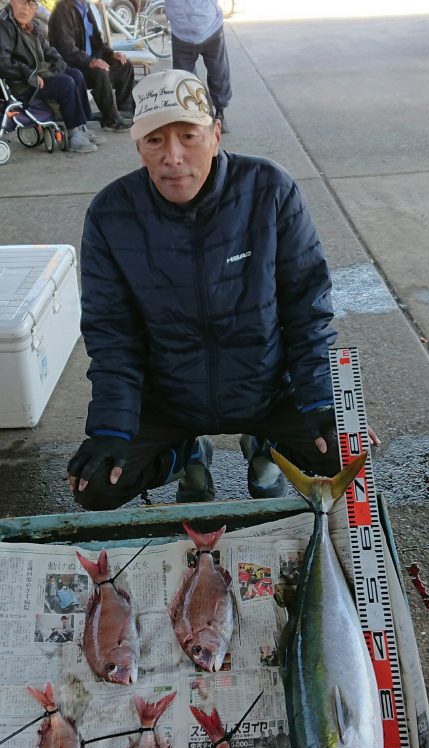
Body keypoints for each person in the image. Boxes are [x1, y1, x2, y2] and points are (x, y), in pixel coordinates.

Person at [67, 68, 380, 512]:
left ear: (215, 135)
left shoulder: (271, 189)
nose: (173, 156)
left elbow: (308, 310)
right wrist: (111, 428)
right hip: (169, 399)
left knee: (350, 459)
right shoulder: (110, 213)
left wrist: (322, 402)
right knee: (94, 485)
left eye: (188, 136)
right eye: (155, 140)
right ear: (139, 148)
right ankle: (184, 455)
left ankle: (267, 445)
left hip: (266, 390)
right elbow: (112, 334)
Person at [0, 0, 97, 153]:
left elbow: (49, 50)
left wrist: (58, 64)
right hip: (21, 83)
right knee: (66, 84)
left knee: (76, 75)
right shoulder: (4, 25)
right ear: (12, 1)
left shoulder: (31, 25)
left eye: (31, 4)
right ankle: (73, 134)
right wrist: (30, 74)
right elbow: (3, 63)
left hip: (37, 74)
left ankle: (82, 126)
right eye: (22, 2)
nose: (26, 8)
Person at [48, 0, 133, 132]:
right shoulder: (62, 9)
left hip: (87, 60)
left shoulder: (85, 7)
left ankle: (125, 111)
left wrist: (111, 53)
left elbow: (97, 42)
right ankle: (111, 120)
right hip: (72, 64)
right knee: (100, 71)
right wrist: (90, 61)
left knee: (125, 64)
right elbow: (66, 48)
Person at [165, 0, 231, 132]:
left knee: (216, 72)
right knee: (184, 79)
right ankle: (199, 114)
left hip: (207, 28)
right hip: (184, 30)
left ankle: (218, 112)